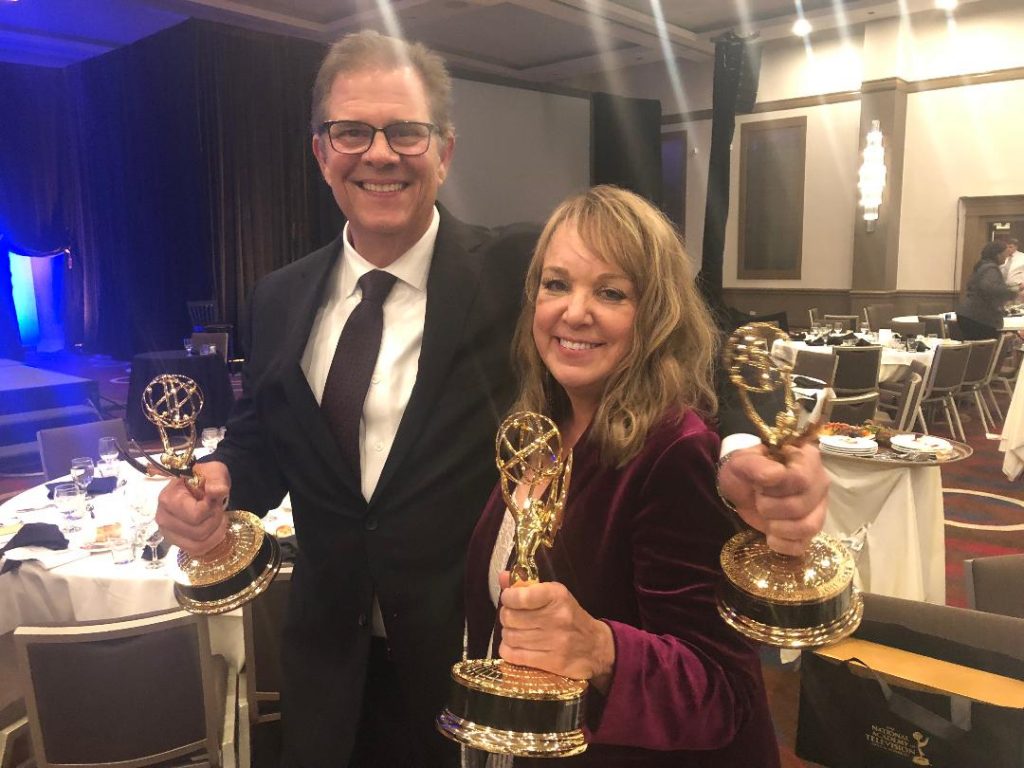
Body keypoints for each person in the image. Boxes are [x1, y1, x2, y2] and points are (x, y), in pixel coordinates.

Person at [156, 31, 827, 768]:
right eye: (352, 131)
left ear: (444, 152)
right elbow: (265, 438)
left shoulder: (521, 269)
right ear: (321, 152)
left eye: (406, 132)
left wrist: (743, 450)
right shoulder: (278, 297)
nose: (380, 153)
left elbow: (673, 331)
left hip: (475, 664)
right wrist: (217, 481)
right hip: (327, 666)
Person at [464, 185, 780, 767]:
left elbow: (722, 692)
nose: (574, 311)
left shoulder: (674, 452)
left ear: (655, 314)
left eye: (610, 292)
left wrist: (599, 648)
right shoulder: (541, 430)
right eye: (556, 284)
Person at [959, 240, 1020, 340]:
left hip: (970, 314)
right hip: (980, 317)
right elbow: (990, 288)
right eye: (1005, 253)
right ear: (998, 254)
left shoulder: (983, 265)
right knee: (984, 352)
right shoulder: (990, 268)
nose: (1007, 256)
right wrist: (1013, 293)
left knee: (976, 351)